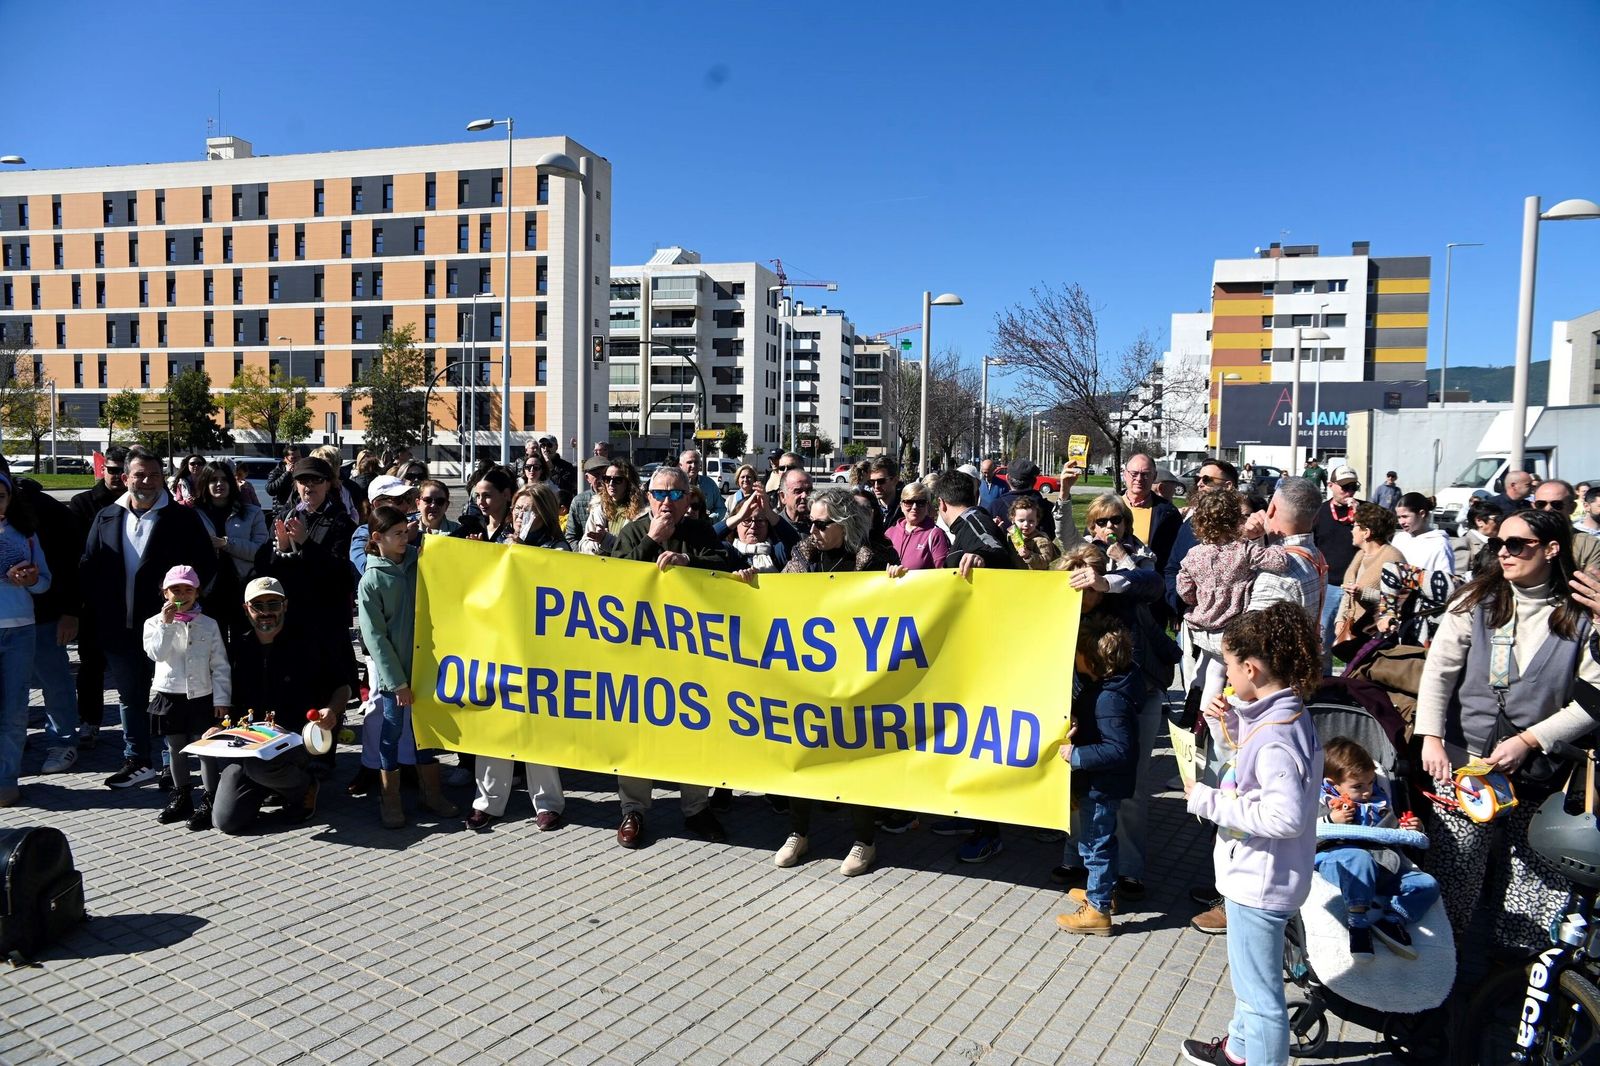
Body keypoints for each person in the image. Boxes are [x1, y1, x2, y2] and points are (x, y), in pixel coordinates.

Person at [1415, 509, 1600, 950]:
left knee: (1532, 879)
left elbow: (1594, 696)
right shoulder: (1475, 600)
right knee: (1456, 871)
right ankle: (1442, 963)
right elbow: (1438, 672)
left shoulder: (1580, 613)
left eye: (1516, 545)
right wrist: (1432, 738)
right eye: (1498, 543)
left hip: (1539, 767)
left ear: (1552, 550)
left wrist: (1529, 740)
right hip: (1465, 762)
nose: (1503, 553)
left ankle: (1513, 977)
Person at [1181, 603, 1324, 1066]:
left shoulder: (1277, 734)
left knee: (1261, 997)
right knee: (1251, 979)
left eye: (1226, 664)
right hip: (1267, 874)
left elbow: (1284, 817)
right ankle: (1240, 1048)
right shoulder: (1283, 715)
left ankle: (1256, 1051)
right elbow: (1256, 771)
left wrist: (1205, 799)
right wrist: (1235, 725)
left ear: (1251, 668)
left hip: (1260, 881)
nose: (1224, 674)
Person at [771, 487, 896, 876]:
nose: (814, 529)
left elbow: (899, 607)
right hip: (809, 674)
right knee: (803, 754)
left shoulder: (874, 559)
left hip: (857, 676)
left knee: (855, 757)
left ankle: (864, 842)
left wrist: (899, 582)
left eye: (823, 524)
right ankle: (798, 833)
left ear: (844, 524)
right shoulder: (803, 555)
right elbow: (778, 597)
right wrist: (750, 583)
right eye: (811, 522)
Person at [608, 466, 734, 848]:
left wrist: (690, 567)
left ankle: (696, 808)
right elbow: (613, 580)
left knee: (694, 731)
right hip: (641, 654)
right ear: (647, 497)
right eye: (660, 494)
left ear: (689, 499)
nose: (667, 501)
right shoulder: (631, 532)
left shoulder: (698, 533)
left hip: (691, 657)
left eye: (677, 495)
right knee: (636, 734)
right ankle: (633, 810)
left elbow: (727, 569)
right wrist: (652, 541)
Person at [81, 446, 218, 790]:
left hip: (169, 628)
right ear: (125, 478)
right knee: (130, 697)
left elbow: (206, 566)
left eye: (155, 475)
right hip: (118, 626)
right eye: (140, 474)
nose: (147, 481)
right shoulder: (106, 517)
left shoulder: (181, 519)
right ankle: (137, 760)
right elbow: (89, 566)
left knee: (168, 696)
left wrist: (185, 606)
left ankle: (174, 767)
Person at [190, 576, 348, 833]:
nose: (265, 613)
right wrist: (219, 727)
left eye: (273, 604)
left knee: (259, 767)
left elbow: (343, 686)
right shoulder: (236, 649)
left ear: (285, 605)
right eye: (257, 606)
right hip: (250, 747)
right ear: (246, 609)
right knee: (226, 821)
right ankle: (273, 785)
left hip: (298, 741)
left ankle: (303, 786)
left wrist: (331, 710)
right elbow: (224, 701)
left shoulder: (308, 642)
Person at [465, 484, 568, 833]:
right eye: (519, 508)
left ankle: (548, 802)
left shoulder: (557, 546)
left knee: (538, 729)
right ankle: (488, 801)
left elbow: (563, 584)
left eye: (531, 509)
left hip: (541, 652)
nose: (523, 515)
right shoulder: (500, 542)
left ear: (546, 512)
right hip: (500, 646)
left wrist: (524, 555)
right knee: (494, 725)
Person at [359, 505, 457, 829]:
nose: (405, 538)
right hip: (396, 675)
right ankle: (390, 799)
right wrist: (397, 682)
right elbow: (375, 638)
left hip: (427, 666)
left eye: (406, 531)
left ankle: (432, 793)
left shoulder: (420, 560)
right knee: (392, 732)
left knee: (424, 729)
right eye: (397, 534)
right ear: (378, 538)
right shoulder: (371, 580)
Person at [1055, 611, 1141, 936]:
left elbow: (1118, 748)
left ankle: (1097, 911)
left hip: (1101, 785)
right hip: (1101, 783)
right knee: (1100, 841)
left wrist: (1077, 754)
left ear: (1092, 660)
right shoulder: (1107, 686)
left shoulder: (1109, 699)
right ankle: (1102, 892)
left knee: (1095, 844)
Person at [1314, 737, 1438, 960]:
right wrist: (1331, 820)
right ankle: (1358, 922)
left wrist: (1409, 828)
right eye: (1358, 786)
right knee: (1359, 858)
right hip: (1339, 857)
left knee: (1427, 884)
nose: (1367, 792)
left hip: (1381, 861)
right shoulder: (1319, 799)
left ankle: (1392, 919)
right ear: (1333, 785)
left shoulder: (1378, 802)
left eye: (1371, 783)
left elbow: (1391, 832)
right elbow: (1304, 832)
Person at [1178, 489, 1291, 711]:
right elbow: (1280, 561)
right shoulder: (1243, 550)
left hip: (1203, 625)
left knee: (1209, 669)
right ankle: (1214, 718)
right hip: (1231, 626)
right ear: (1236, 520)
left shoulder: (1193, 555)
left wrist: (1200, 599)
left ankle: (1199, 714)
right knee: (1223, 672)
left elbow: (1184, 590)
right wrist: (1273, 540)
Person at [143, 565, 230, 826]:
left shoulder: (209, 624)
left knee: (205, 750)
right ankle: (181, 795)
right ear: (164, 593)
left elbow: (220, 664)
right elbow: (156, 654)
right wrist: (167, 625)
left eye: (188, 589)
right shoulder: (153, 623)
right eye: (175, 589)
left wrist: (222, 700)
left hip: (201, 695)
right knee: (176, 749)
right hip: (169, 695)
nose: (181, 594)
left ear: (197, 593)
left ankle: (210, 798)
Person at [0, 472, 51, 807]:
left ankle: (6, 779)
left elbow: (45, 582)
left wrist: (30, 579)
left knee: (15, 711)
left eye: (1, 495)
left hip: (20, 630)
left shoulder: (26, 535)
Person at [1333, 502, 1405, 655]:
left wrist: (1364, 593)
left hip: (1375, 634)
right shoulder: (1360, 555)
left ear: (1366, 532)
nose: (1352, 530)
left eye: (1355, 526)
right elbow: (1349, 592)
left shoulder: (1393, 558)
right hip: (1354, 630)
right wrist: (1340, 620)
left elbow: (1400, 598)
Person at [1311, 466, 1363, 667]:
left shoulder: (1364, 510)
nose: (1349, 492)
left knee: (1357, 641)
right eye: (1344, 487)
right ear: (1331, 486)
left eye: (1353, 487)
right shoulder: (1320, 512)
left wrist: (1361, 516)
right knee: (1322, 641)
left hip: (1358, 586)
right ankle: (1323, 682)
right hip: (1329, 586)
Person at [1389, 492, 1457, 641]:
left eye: (1406, 517)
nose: (1401, 522)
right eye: (1399, 517)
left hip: (1422, 614)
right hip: (1395, 610)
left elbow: (1445, 583)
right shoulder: (1400, 539)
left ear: (1422, 514)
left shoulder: (1439, 544)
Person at [194, 460, 269, 584]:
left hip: (244, 585)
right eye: (213, 480)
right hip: (203, 587)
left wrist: (226, 543)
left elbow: (261, 553)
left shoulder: (253, 513)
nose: (219, 483)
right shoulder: (193, 514)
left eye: (224, 479)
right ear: (205, 483)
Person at [932, 468, 1014, 580]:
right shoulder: (967, 524)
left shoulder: (974, 523)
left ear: (941, 503)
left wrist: (982, 556)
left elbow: (996, 551)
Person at [1120, 454, 1183, 573]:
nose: (1139, 479)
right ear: (1125, 474)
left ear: (1154, 477)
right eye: (1134, 473)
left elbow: (1175, 558)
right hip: (1109, 584)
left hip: (1151, 583)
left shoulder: (1168, 513)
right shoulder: (1107, 506)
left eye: (1145, 474)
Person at [349, 475, 419, 576]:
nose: (406, 505)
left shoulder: (412, 527)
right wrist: (404, 538)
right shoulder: (363, 533)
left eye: (407, 498)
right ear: (377, 504)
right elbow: (366, 570)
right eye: (398, 499)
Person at [884, 482, 947, 571]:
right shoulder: (890, 533)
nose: (914, 507)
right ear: (901, 506)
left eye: (920, 502)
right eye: (908, 502)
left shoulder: (935, 534)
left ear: (927, 506)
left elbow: (943, 574)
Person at [991, 460, 1056, 542]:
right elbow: (1052, 535)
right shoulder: (1047, 506)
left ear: (1007, 478)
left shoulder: (995, 506)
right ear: (1035, 481)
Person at [563, 456, 610, 549]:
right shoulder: (578, 501)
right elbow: (571, 537)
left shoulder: (618, 498)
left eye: (605, 474)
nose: (601, 479)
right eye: (596, 474)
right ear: (587, 478)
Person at [469, 467, 521, 544]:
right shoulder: (472, 529)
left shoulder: (517, 530)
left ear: (506, 494)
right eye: (477, 496)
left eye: (487, 496)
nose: (480, 501)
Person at [678, 449, 727, 524]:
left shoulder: (709, 484)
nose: (693, 466)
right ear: (680, 465)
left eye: (696, 462)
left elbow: (721, 508)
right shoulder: (675, 484)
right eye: (689, 462)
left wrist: (710, 519)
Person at [1458, 501, 1501, 579]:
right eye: (1496, 519)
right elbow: (1459, 579)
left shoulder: (1500, 543)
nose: (1500, 523)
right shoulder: (1463, 544)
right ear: (1479, 521)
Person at [534, 434, 577, 506]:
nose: (545, 448)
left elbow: (564, 487)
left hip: (559, 505)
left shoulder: (566, 466)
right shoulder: (536, 465)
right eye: (543, 445)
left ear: (556, 447)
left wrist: (551, 469)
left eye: (549, 445)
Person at [867, 457, 902, 525]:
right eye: (872, 482)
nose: (876, 486)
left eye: (881, 481)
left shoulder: (908, 506)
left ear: (895, 480)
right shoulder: (866, 506)